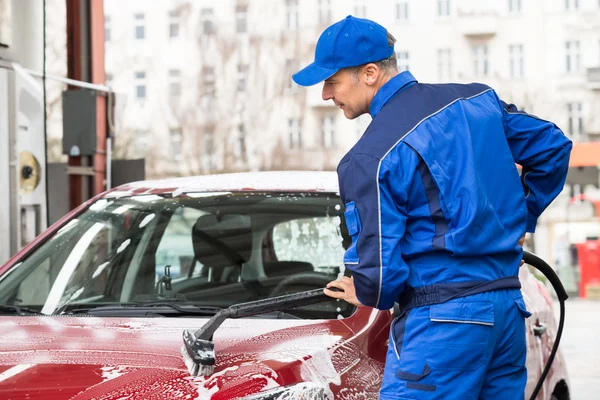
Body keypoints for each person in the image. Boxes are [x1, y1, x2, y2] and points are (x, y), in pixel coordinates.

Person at [292, 15, 572, 400]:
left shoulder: (370, 158)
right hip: (507, 311)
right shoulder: (477, 101)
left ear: (370, 73)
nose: (326, 94)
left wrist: (366, 288)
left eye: (332, 81)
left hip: (443, 323)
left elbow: (380, 278)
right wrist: (522, 216)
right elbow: (553, 148)